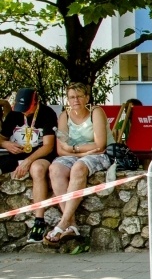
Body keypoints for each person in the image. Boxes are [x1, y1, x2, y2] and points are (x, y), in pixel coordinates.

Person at [45, 82, 113, 245]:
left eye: (79, 96)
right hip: (80, 154)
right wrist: (81, 151)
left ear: (87, 98)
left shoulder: (96, 112)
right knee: (55, 169)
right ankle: (72, 224)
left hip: (99, 155)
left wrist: (74, 148)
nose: (75, 100)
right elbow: (61, 150)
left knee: (78, 168)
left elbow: (100, 145)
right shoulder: (64, 116)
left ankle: (63, 223)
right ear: (67, 100)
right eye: (71, 97)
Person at [0, 88, 58, 243]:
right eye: (21, 109)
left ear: (36, 103)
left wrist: (28, 161)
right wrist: (6, 144)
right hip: (16, 155)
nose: (24, 113)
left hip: (40, 155)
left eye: (27, 109)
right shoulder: (13, 115)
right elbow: (1, 137)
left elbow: (48, 146)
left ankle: (39, 221)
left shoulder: (47, 113)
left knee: (37, 170)